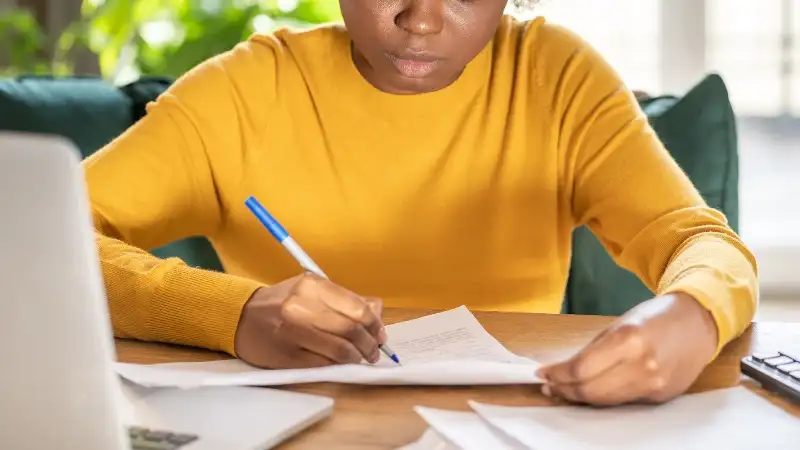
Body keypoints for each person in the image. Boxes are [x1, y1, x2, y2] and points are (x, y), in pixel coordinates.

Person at [83, 0, 758, 407]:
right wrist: (230, 313)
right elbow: (28, 242)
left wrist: (690, 315)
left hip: (509, 424)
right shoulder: (246, 92)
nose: (423, 19)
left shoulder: (556, 78)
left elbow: (698, 242)